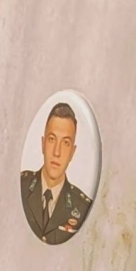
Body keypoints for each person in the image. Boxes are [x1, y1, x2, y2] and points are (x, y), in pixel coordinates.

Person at [20, 103, 93, 244]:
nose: (57, 152)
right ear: (43, 144)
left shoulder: (82, 207)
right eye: (52, 139)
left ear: (72, 152)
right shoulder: (20, 186)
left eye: (65, 143)